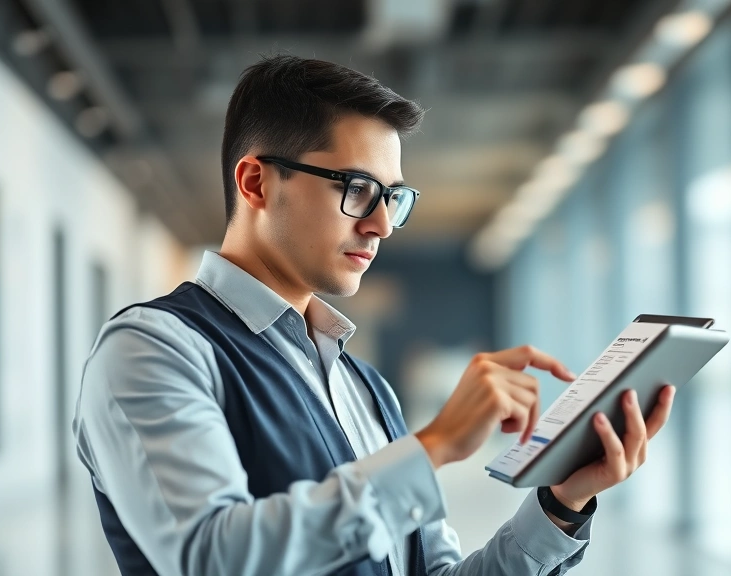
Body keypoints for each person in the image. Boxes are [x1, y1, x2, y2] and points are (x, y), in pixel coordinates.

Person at [72, 54, 676, 576]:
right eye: (357, 188)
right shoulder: (153, 349)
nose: (382, 223)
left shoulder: (366, 389)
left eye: (393, 197)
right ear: (256, 182)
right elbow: (210, 557)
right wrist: (433, 445)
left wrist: (560, 505)